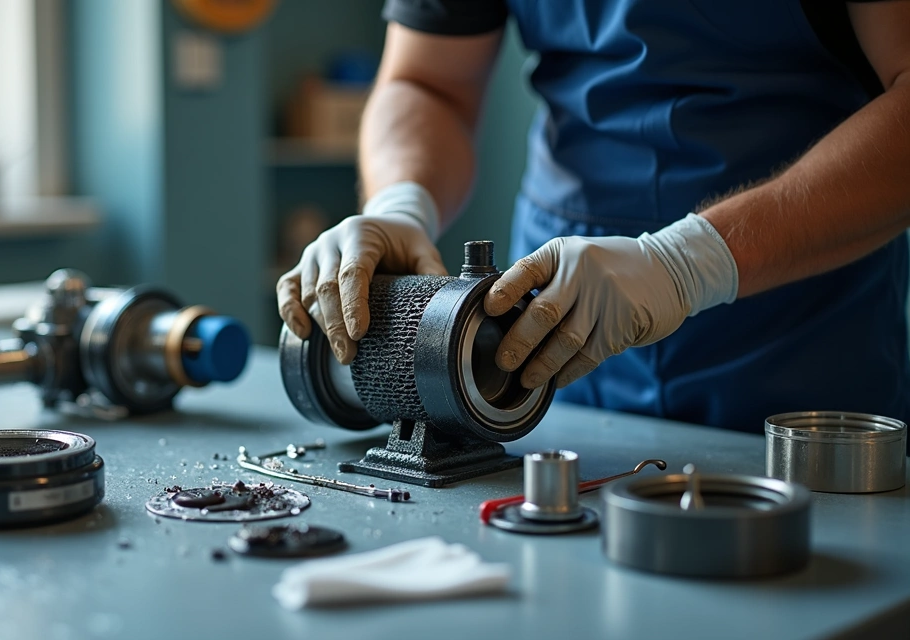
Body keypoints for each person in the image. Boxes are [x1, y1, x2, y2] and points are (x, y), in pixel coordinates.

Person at [276, 0, 910, 433]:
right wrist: (400, 201)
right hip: (547, 336)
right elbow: (426, 83)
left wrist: (691, 264)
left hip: (798, 338)